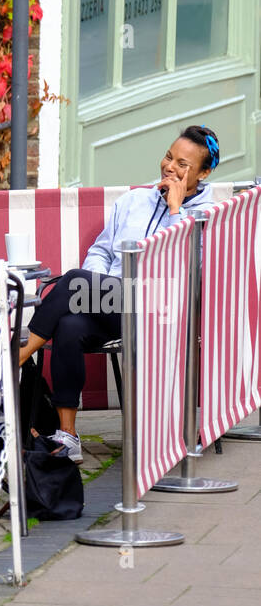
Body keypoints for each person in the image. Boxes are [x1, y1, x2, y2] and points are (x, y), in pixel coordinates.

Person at [18, 125, 221, 463]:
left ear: (203, 172)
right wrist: (97, 285)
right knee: (69, 324)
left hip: (159, 305)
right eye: (169, 157)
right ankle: (68, 437)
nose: (170, 167)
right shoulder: (134, 200)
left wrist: (175, 211)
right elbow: (102, 250)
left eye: (182, 164)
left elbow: (186, 270)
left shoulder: (206, 217)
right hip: (112, 302)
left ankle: (14, 360)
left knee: (71, 281)